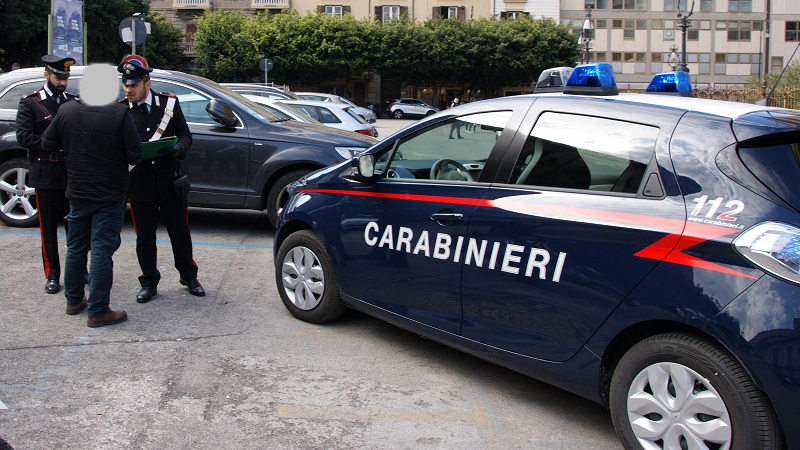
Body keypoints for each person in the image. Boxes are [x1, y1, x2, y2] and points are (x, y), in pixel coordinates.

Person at [41, 63, 142, 327]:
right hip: (109, 193)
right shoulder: (119, 113)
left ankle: (74, 300)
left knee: (76, 247)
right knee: (101, 250)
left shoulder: (66, 110)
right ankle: (98, 310)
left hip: (77, 189)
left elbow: (48, 143)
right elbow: (135, 154)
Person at [117, 56, 205, 303]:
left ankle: (189, 276)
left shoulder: (168, 103)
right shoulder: (121, 109)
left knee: (180, 232)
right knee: (145, 237)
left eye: (134, 85)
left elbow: (186, 135)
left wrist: (178, 148)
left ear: (147, 83)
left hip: (169, 179)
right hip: (140, 181)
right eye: (126, 84)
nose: (128, 90)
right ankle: (149, 281)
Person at [16, 55, 76, 294]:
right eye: (58, 77)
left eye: (65, 78)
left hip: (70, 172)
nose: (62, 82)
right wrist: (50, 142)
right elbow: (24, 137)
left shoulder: (72, 102)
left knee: (75, 226)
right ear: (46, 75)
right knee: (48, 228)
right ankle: (52, 274)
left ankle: (78, 269)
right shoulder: (31, 103)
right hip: (46, 172)